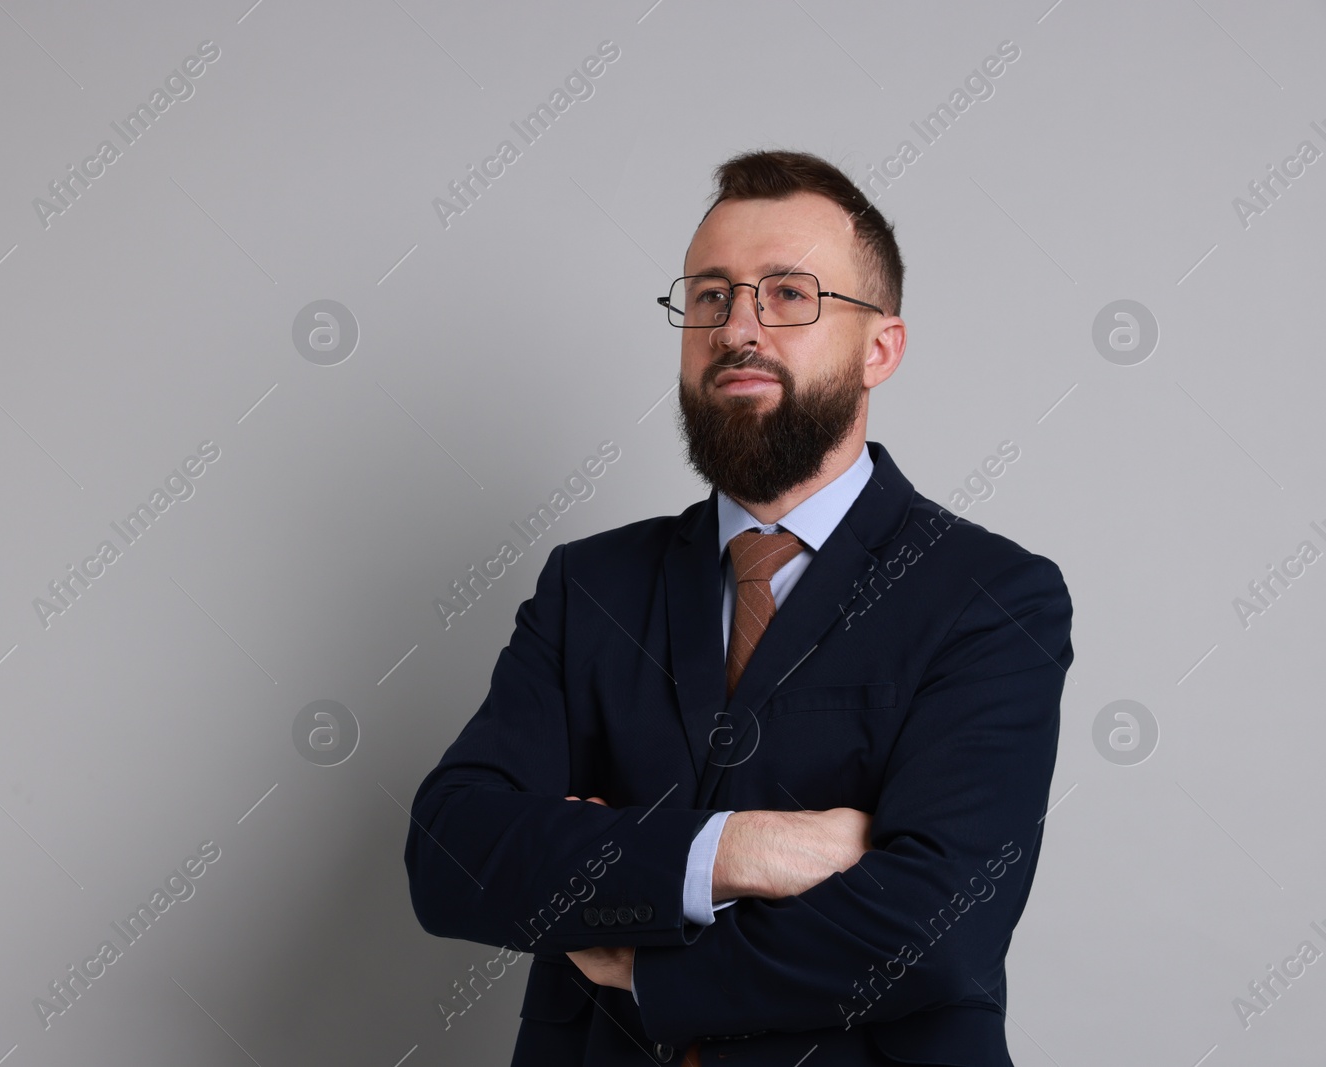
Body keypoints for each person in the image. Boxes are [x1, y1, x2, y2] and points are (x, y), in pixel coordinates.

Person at [403, 149, 1073, 1066]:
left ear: (880, 348)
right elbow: (453, 853)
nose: (737, 327)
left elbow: (938, 927)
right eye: (711, 296)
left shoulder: (992, 596)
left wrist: (643, 967)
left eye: (790, 293)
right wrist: (733, 850)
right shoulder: (588, 586)